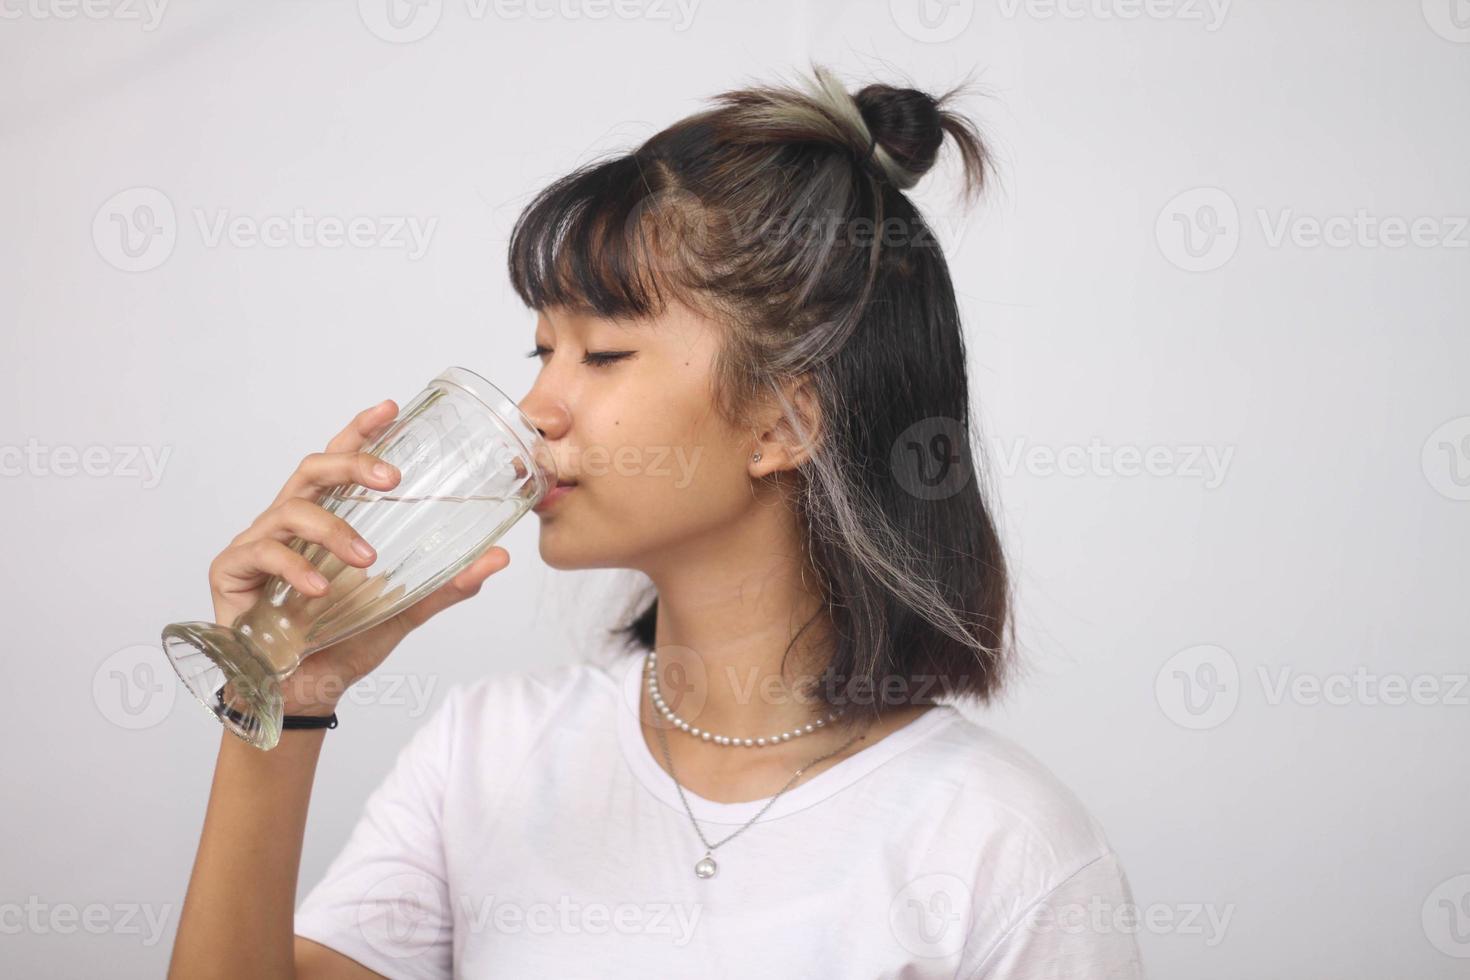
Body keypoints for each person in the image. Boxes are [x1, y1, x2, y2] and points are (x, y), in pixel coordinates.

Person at [167, 65, 1146, 978]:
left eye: (600, 355)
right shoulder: (488, 751)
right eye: (540, 349)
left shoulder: (1003, 848)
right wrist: (286, 687)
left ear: (785, 420)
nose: (536, 408)